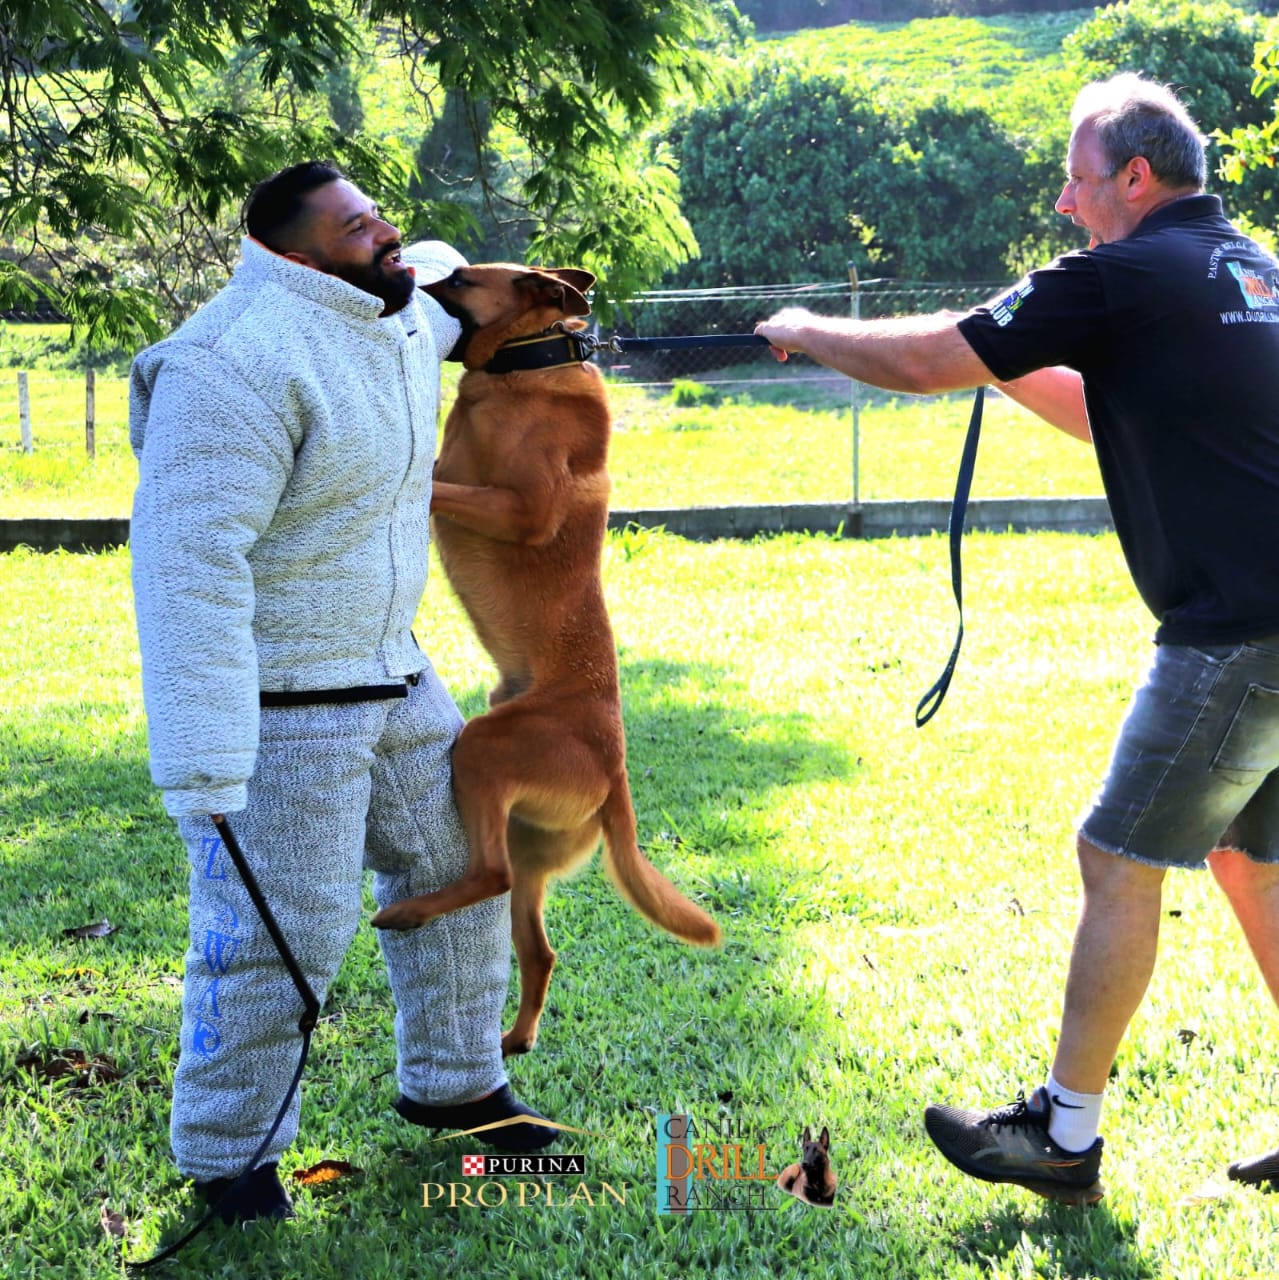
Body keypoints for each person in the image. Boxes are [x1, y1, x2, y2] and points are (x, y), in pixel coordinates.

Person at [756, 73, 1279, 1203]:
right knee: (1251, 861)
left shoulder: (1123, 272)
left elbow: (913, 360)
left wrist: (802, 326)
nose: (1060, 201)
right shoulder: (1251, 268)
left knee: (1118, 855)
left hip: (1240, 632)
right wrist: (1000, 369)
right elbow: (1127, 408)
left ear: (1134, 177)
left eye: (1075, 179)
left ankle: (1063, 1133)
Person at [129, 161, 553, 1226]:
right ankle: (232, 1161)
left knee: (466, 863)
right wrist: (204, 767)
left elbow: (443, 280)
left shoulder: (397, 312)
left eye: (382, 215)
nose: (391, 235)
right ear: (293, 253)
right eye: (362, 226)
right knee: (281, 933)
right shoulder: (230, 365)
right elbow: (186, 567)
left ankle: (458, 1085)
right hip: (282, 701)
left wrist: (520, 293)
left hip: (397, 673)